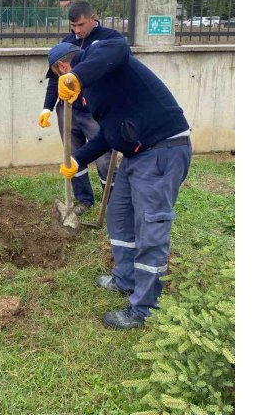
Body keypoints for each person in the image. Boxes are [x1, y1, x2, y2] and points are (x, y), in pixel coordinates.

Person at [49, 37, 191, 329]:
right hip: (137, 154)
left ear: (62, 67)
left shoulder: (101, 54)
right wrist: (78, 159)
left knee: (150, 229)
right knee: (119, 215)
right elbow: (108, 133)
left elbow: (120, 48)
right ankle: (126, 278)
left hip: (162, 149)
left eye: (59, 77)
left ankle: (145, 308)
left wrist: (77, 76)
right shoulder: (95, 89)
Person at [37, 1, 126, 216]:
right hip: (68, 109)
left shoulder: (110, 39)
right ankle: (84, 199)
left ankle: (113, 203)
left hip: (95, 111)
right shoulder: (67, 43)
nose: (77, 30)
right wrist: (47, 107)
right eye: (73, 26)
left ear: (93, 18)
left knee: (103, 157)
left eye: (81, 25)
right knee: (73, 155)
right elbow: (56, 79)